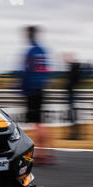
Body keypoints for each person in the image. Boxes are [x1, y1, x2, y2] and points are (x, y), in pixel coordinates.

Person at [20, 26, 55, 165]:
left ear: (29, 35)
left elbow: (26, 72)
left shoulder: (30, 51)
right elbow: (48, 70)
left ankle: (42, 155)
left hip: (32, 90)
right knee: (41, 122)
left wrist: (23, 89)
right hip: (41, 88)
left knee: (37, 123)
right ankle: (47, 152)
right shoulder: (43, 51)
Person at [63, 52, 82, 139]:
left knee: (72, 115)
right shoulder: (75, 68)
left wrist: (68, 87)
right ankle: (74, 133)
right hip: (72, 93)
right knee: (72, 114)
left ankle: (74, 134)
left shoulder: (74, 68)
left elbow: (72, 81)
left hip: (71, 94)